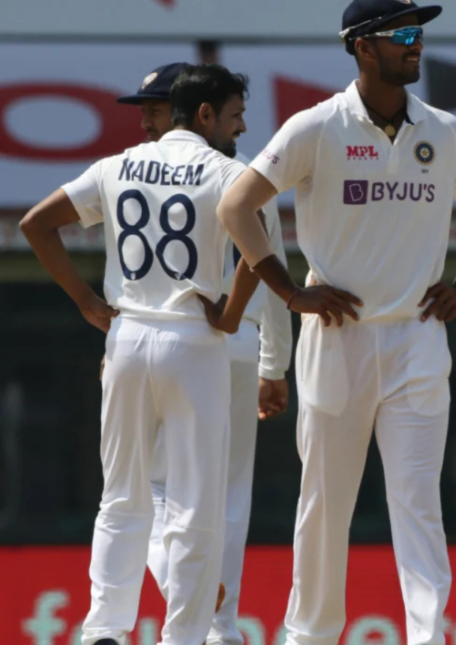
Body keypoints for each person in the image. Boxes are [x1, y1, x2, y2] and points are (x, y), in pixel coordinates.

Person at [216, 0, 456, 645]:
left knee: (418, 503)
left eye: (418, 35)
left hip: (418, 336)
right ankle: (310, 634)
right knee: (324, 500)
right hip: (336, 336)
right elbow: (237, 208)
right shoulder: (316, 127)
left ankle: (427, 636)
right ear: (362, 47)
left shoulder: (446, 131)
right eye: (402, 36)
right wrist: (289, 292)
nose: (417, 46)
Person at [20, 64, 260, 645]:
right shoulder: (229, 172)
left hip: (126, 338)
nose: (241, 125)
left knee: (122, 494)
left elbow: (35, 224)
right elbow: (259, 252)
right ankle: (184, 635)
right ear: (204, 114)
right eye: (232, 113)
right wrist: (229, 316)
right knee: (197, 505)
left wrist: (84, 298)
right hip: (193, 340)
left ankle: (104, 628)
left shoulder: (115, 164)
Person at [116, 60, 294, 645]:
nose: (145, 123)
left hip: (179, 342)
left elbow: (131, 277)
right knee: (225, 492)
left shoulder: (136, 175)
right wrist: (273, 364)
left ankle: (186, 592)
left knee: (147, 488)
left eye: (152, 112)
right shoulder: (243, 175)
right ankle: (219, 625)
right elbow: (272, 269)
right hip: (233, 344)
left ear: (187, 112)